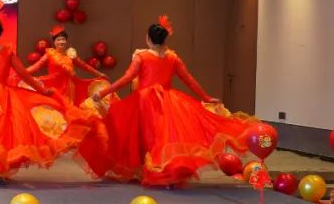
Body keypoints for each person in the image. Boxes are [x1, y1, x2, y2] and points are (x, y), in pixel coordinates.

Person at [85, 15, 252, 186]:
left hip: (144, 102)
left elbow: (126, 79)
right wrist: (205, 97)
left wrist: (103, 92)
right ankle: (161, 169)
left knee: (145, 135)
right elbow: (189, 80)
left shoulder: (142, 57)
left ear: (148, 38)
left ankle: (153, 169)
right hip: (168, 101)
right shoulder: (172, 58)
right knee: (164, 137)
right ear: (164, 39)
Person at [0, 17, 91, 183]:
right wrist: (42, 90)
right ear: (0, 33)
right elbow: (25, 75)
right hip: (2, 95)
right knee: (1, 132)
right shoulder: (7, 52)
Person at [26, 26, 110, 111]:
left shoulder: (71, 54)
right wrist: (23, 73)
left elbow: (84, 66)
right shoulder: (50, 54)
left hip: (69, 88)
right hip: (54, 86)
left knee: (68, 109)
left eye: (63, 39)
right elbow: (36, 66)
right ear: (54, 42)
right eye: (58, 40)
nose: (61, 42)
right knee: (55, 109)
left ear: (66, 41)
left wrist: (99, 74)